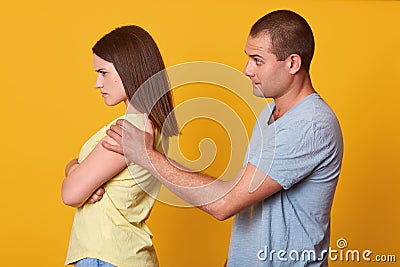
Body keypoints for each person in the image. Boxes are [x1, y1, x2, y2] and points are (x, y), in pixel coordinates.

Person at [102, 10, 343, 266]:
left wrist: (146, 156)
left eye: (257, 60)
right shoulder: (270, 113)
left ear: (293, 63)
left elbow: (225, 203)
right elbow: (241, 196)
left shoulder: (310, 125)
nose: (247, 69)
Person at [62, 25, 179, 267]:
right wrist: (74, 168)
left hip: (106, 256)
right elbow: (76, 181)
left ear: (128, 69)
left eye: (103, 72)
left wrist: (76, 174)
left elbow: (70, 193)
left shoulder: (130, 129)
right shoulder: (147, 125)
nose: (97, 83)